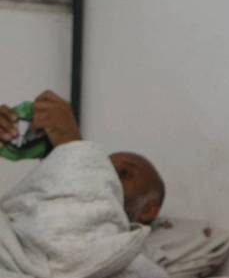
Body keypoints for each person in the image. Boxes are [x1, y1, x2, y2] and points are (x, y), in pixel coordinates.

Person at [0, 90, 165, 224]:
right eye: (103, 168)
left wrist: (70, 141)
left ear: (148, 210)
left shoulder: (131, 256)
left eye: (123, 173)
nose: (105, 176)